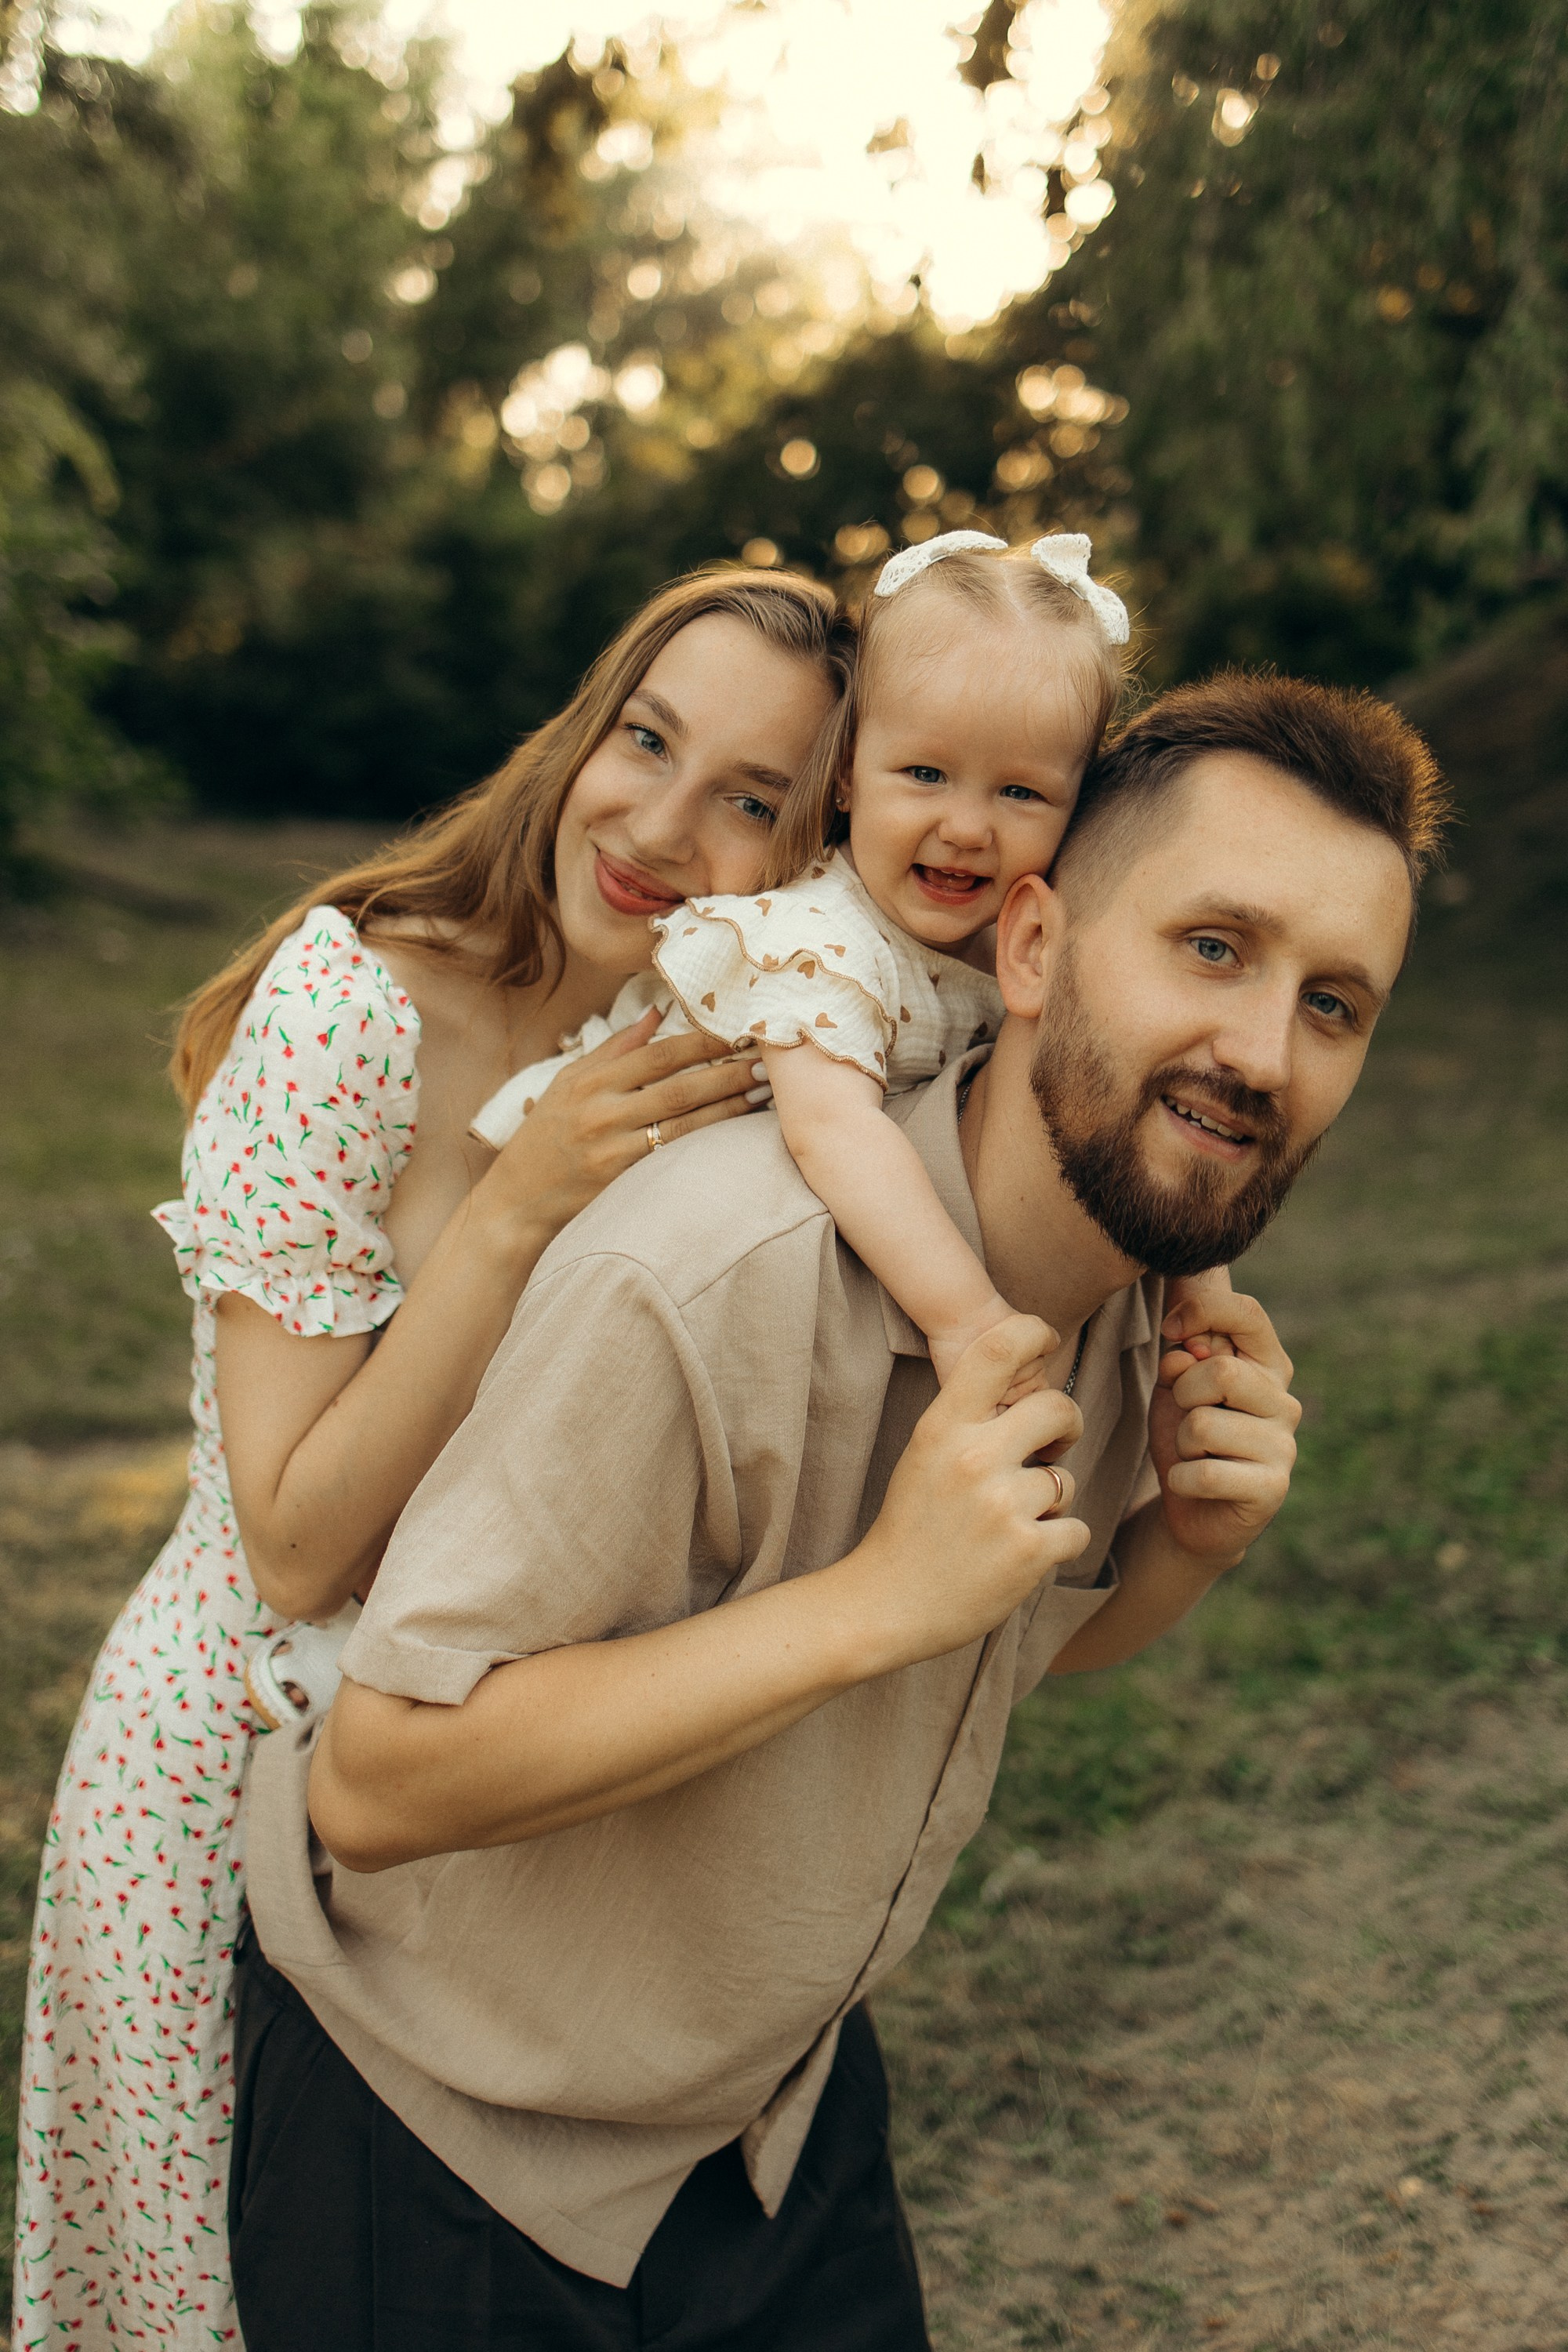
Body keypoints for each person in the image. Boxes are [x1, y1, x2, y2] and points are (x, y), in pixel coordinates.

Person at [230, 669, 1448, 2350]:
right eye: (1213, 948)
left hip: (770, 2115)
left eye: (1334, 1006)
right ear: (1031, 946)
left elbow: (988, 1646)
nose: (1261, 1053)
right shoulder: (704, 1273)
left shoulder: (1137, 1299)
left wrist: (1183, 1545)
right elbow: (377, 1780)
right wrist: (873, 1598)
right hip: (451, 2128)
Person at [10, 568, 853, 2352]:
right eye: (646, 741)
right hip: (225, 1774)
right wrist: (518, 1204)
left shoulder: (704, 1049)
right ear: (583, 731)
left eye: (751, 800)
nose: (661, 826)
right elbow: (295, 1542)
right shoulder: (350, 1005)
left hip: (466, 1798)